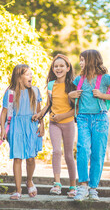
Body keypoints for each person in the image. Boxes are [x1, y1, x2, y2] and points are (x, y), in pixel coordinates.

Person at [68, 49, 110, 201]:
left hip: (100, 119)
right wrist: (70, 96)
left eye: (82, 60)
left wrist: (102, 95)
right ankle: (83, 186)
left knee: (97, 153)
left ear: (91, 60)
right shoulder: (78, 80)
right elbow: (73, 101)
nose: (80, 63)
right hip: (83, 119)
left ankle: (93, 188)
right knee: (82, 149)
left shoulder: (106, 79)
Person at [33, 54, 77, 198]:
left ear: (68, 68)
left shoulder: (73, 85)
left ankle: (73, 186)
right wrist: (40, 114)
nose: (58, 68)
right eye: (56, 66)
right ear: (53, 68)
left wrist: (62, 116)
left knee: (69, 155)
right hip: (54, 124)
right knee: (56, 151)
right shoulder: (51, 84)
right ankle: (57, 184)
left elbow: (76, 109)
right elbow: (48, 104)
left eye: (61, 66)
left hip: (68, 123)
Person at [0, 64, 44, 200]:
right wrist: (2, 129)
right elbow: (4, 112)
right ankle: (18, 190)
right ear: (19, 77)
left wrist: (42, 125)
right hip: (16, 126)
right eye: (27, 74)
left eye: (31, 74)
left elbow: (39, 111)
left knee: (30, 158)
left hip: (31, 125)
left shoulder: (35, 91)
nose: (31, 76)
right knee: (17, 158)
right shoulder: (11, 93)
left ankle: (29, 180)